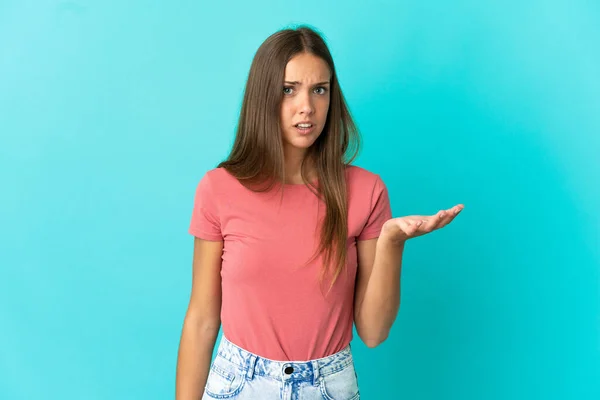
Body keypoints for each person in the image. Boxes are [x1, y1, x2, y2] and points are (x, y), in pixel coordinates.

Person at [175, 25, 463, 400]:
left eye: (319, 90)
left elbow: (374, 332)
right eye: (288, 89)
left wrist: (393, 243)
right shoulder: (219, 189)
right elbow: (201, 320)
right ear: (264, 96)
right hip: (238, 385)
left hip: (328, 385)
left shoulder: (366, 191)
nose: (306, 107)